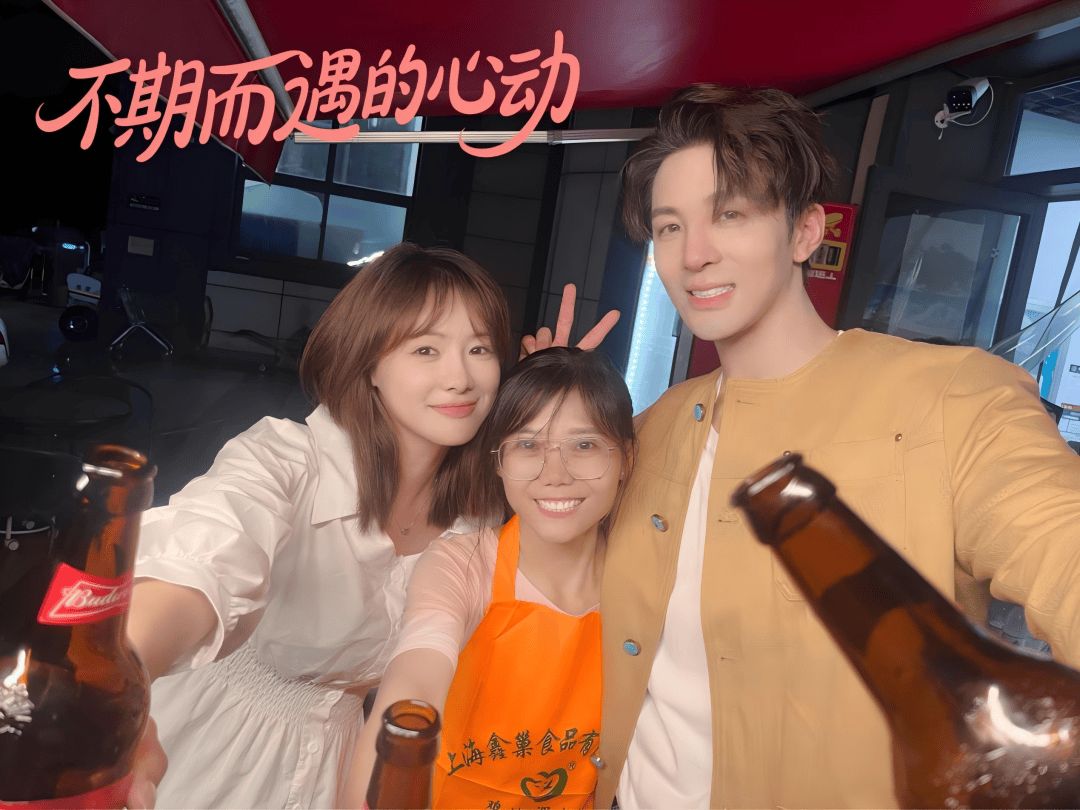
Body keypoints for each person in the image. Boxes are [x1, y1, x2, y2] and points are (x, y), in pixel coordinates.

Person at [580, 84, 1080, 809]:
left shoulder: (954, 399)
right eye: (669, 227)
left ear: (806, 231)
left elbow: (1063, 552)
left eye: (730, 214)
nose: (694, 255)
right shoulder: (653, 426)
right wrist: (553, 409)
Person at [340, 346, 636, 810]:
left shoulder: (644, 581)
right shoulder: (462, 565)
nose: (554, 475)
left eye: (584, 445)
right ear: (498, 460)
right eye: (527, 445)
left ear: (626, 460)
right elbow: (414, 680)